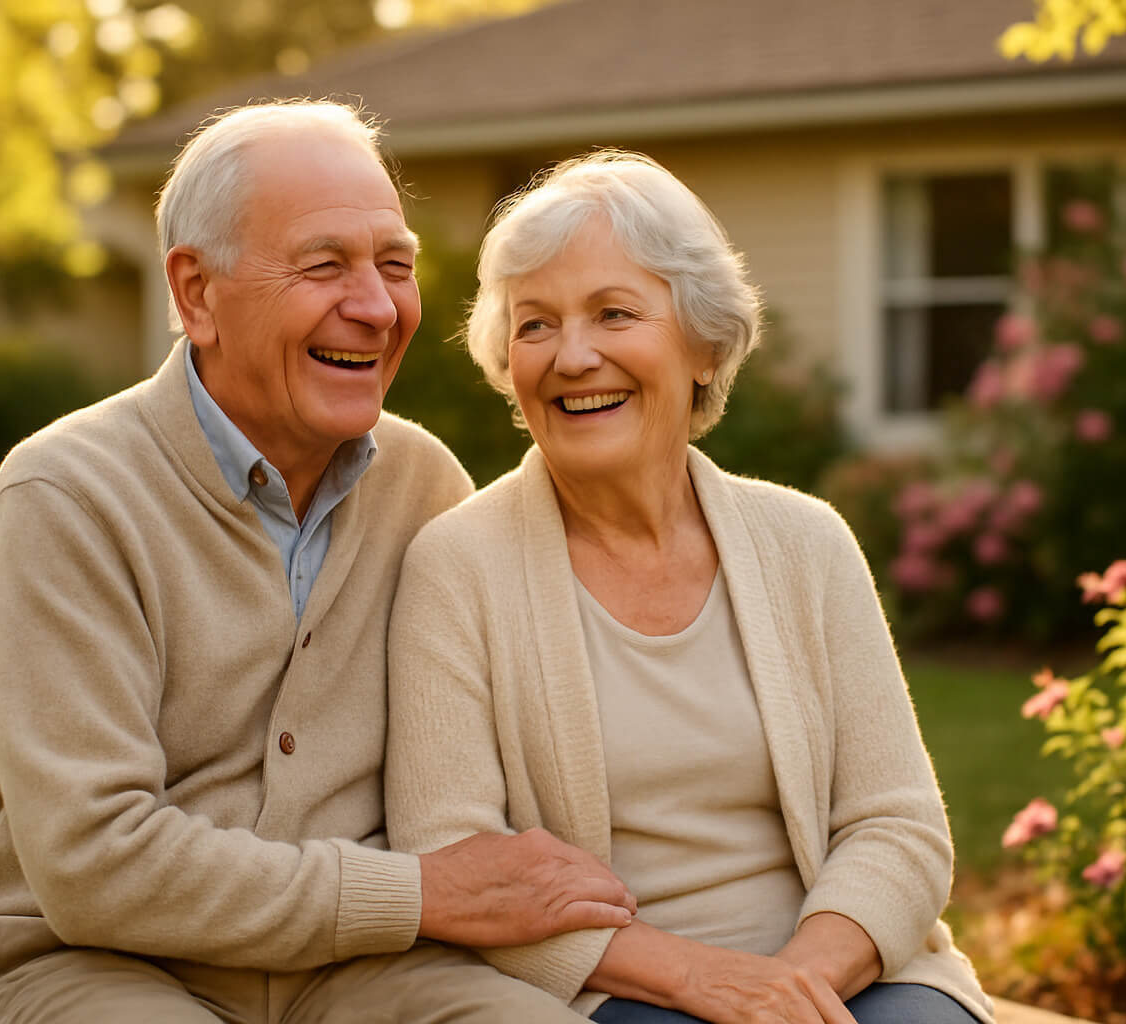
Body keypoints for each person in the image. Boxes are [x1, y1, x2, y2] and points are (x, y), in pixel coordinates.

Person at [0, 102, 638, 1024]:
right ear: (195, 294)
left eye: (395, 265)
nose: (376, 306)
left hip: (351, 972)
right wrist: (419, 895)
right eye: (324, 264)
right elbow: (96, 866)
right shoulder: (66, 496)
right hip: (73, 963)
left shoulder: (425, 488)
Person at [385, 151, 994, 1024]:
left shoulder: (807, 543)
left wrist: (792, 989)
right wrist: (701, 982)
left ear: (703, 345)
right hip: (616, 993)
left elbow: (898, 827)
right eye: (536, 325)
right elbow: (455, 862)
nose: (574, 356)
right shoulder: (456, 568)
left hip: (848, 977)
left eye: (614, 313)